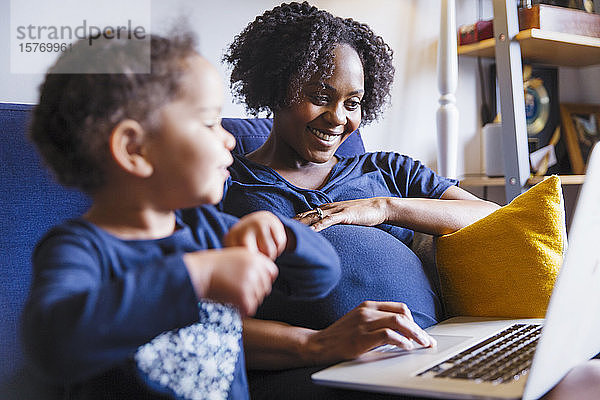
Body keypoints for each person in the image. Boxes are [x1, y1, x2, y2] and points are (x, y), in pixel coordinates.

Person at [220, 2, 600, 399]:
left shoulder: (385, 170)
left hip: (434, 352)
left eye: (353, 103)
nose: (337, 118)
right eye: (320, 96)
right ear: (277, 86)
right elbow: (196, 319)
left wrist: (384, 207)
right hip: (331, 367)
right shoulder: (226, 187)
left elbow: (490, 216)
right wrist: (321, 342)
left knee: (589, 379)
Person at [20, 32, 340, 400]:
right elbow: (51, 347)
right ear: (135, 149)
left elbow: (321, 279)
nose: (230, 140)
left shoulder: (208, 230)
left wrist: (281, 234)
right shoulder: (80, 249)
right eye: (209, 124)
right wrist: (196, 277)